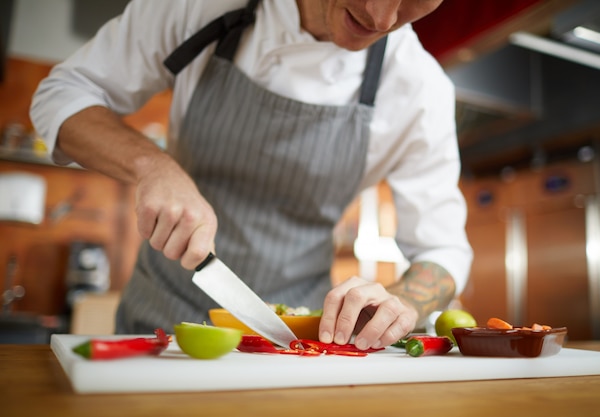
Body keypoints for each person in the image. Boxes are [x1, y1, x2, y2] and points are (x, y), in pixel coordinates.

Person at [30, 0, 473, 351]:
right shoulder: (204, 5)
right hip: (159, 330)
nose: (381, 15)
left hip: (294, 345)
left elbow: (443, 246)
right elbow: (62, 94)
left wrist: (405, 302)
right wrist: (152, 165)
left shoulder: (419, 89)